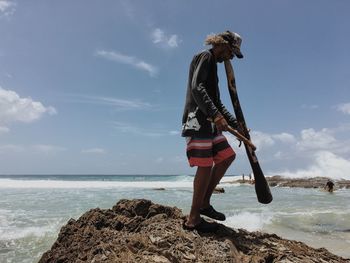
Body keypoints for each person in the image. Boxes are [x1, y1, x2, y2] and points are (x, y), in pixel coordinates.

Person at [182, 30, 244, 232]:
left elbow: (216, 101)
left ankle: (204, 204)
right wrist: (216, 116)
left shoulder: (214, 68)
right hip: (197, 121)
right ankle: (193, 219)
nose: (231, 57)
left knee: (227, 156)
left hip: (210, 123)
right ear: (223, 44)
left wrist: (236, 124)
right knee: (205, 165)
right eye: (231, 52)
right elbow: (197, 87)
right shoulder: (205, 56)